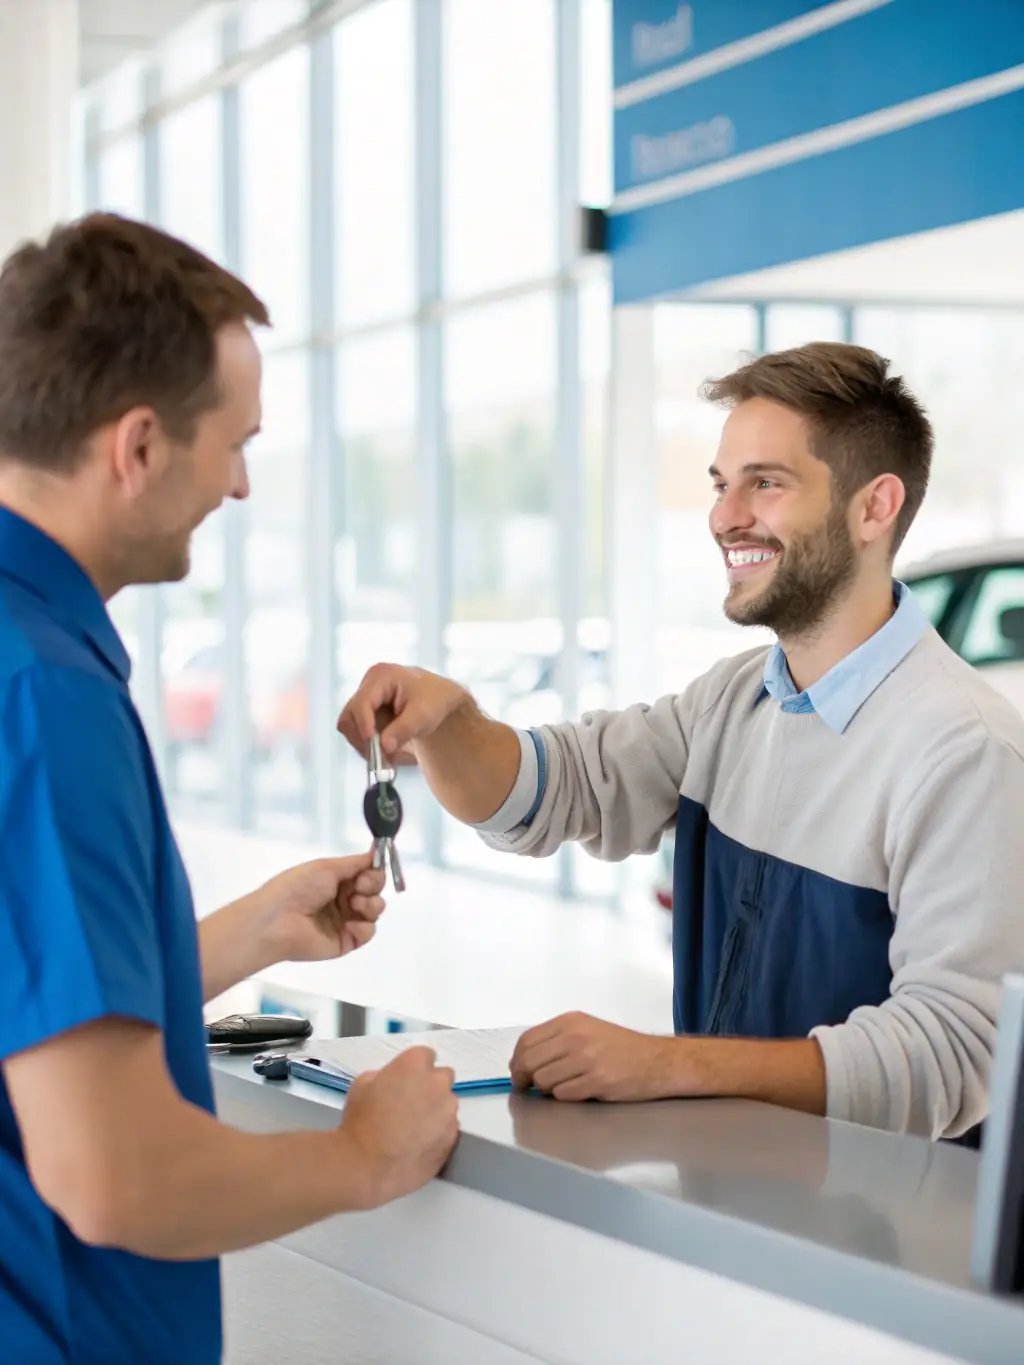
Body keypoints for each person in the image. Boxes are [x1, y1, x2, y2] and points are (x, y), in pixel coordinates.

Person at [339, 341, 1024, 1144]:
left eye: (765, 482)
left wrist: (665, 1064)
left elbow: (950, 1059)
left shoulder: (965, 753)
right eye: (721, 484)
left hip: (884, 1218)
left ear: (875, 508)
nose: (724, 517)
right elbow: (561, 789)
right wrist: (450, 721)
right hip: (735, 1192)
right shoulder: (730, 702)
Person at [0, 214, 459, 1365]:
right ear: (139, 445)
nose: (242, 486)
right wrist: (364, 1157)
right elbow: (113, 1177)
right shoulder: (43, 695)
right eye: (234, 445)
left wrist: (244, 934)